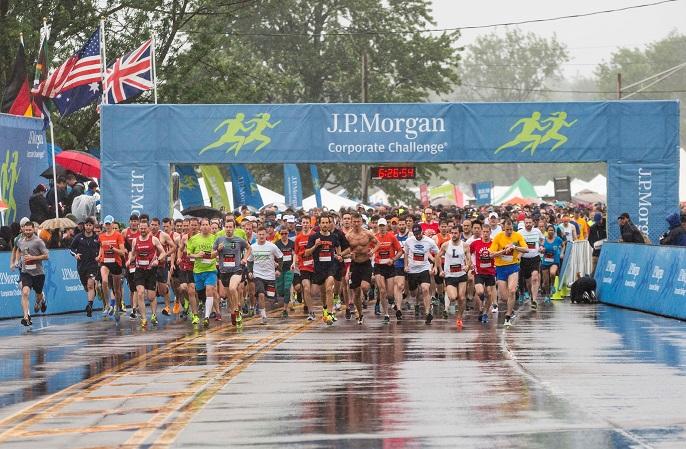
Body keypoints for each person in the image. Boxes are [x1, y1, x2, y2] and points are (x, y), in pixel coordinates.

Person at [127, 220, 167, 327]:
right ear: (139, 229)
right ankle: (144, 319)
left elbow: (163, 252)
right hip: (139, 270)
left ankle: (154, 314)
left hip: (151, 270)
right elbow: (134, 254)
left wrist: (157, 260)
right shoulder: (135, 241)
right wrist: (130, 260)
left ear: (148, 228)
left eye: (145, 228)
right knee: (140, 293)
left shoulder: (154, 239)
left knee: (151, 297)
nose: (143, 230)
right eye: (141, 228)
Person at [305, 214, 343, 324]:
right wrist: (315, 246)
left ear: (329, 224)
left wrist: (339, 255)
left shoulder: (334, 237)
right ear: (319, 224)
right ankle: (325, 309)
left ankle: (330, 314)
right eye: (323, 223)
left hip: (331, 266)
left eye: (327, 222)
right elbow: (307, 253)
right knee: (322, 292)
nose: (325, 224)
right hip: (319, 268)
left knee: (329, 289)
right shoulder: (314, 237)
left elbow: (338, 246)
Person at [489, 218, 528, 327]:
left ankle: (508, 316)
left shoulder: (517, 236)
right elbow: (491, 254)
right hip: (501, 268)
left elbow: (526, 249)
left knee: (512, 290)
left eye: (511, 229)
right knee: (504, 297)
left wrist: (515, 247)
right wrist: (503, 251)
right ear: (503, 228)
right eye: (507, 230)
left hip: (513, 266)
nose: (509, 232)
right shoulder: (498, 237)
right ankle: (511, 309)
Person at [214, 219, 250, 325]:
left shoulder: (239, 240)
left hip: (237, 270)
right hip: (224, 271)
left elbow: (249, 248)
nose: (228, 229)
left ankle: (237, 310)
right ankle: (234, 310)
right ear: (224, 228)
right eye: (227, 227)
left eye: (230, 227)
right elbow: (212, 255)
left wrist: (245, 259)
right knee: (229, 295)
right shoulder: (219, 240)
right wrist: (218, 250)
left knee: (233, 288)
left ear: (234, 228)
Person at [15, 218, 49, 326]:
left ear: (33, 229)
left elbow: (46, 256)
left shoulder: (38, 241)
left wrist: (33, 257)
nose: (28, 232)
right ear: (23, 230)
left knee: (38, 294)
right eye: (26, 230)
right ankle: (26, 317)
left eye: (30, 230)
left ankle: (41, 300)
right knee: (25, 292)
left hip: (38, 273)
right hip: (26, 272)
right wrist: (18, 260)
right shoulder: (20, 241)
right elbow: (19, 251)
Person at [436, 225, 472, 328]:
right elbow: (438, 256)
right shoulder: (445, 245)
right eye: (452, 233)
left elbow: (469, 259)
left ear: (460, 234)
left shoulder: (465, 246)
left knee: (461, 297)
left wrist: (467, 266)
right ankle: (453, 305)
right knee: (453, 297)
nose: (454, 235)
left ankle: (459, 318)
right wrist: (440, 270)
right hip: (450, 275)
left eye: (456, 233)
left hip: (461, 275)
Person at [404, 223, 439, 325]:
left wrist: (436, 266)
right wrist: (406, 265)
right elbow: (406, 253)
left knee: (425, 289)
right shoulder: (409, 241)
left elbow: (437, 253)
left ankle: (428, 313)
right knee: (413, 293)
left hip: (424, 268)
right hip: (412, 270)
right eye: (416, 234)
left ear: (422, 232)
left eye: (419, 233)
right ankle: (417, 292)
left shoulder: (429, 241)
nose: (418, 236)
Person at [247, 226, 283, 324]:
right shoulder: (253, 247)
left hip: (270, 275)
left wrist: (279, 269)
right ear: (257, 235)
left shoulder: (272, 246)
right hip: (258, 275)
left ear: (266, 235)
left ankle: (266, 306)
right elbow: (249, 261)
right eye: (260, 234)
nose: (262, 236)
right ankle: (263, 316)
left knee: (270, 298)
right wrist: (250, 271)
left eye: (263, 234)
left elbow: (280, 257)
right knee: (261, 294)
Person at [186, 218, 217, 328]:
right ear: (200, 227)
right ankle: (204, 305)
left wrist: (215, 253)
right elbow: (188, 254)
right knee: (200, 293)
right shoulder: (193, 239)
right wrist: (197, 255)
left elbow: (217, 252)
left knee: (209, 289)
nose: (204, 226)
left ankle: (207, 317)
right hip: (198, 271)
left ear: (209, 226)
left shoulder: (215, 238)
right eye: (202, 225)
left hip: (211, 270)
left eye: (206, 224)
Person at [373, 217, 402, 324]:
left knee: (390, 293)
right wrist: (370, 253)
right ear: (378, 227)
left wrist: (393, 259)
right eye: (380, 226)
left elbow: (400, 251)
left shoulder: (391, 237)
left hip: (389, 266)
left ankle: (391, 301)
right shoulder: (374, 237)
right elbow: (369, 250)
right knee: (382, 291)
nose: (381, 228)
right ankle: (386, 314)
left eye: (383, 226)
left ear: (386, 226)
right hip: (378, 266)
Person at [70, 218, 101, 317]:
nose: (88, 227)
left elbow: (102, 248)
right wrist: (75, 254)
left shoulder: (97, 238)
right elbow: (71, 248)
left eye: (90, 225)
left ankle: (90, 305)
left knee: (90, 285)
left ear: (93, 226)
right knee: (86, 287)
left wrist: (99, 256)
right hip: (81, 266)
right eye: (86, 225)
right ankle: (92, 294)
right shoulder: (78, 237)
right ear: (84, 226)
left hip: (93, 265)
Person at [98, 215, 126, 318]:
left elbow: (122, 252)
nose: (108, 226)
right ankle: (107, 305)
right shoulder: (101, 236)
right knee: (104, 282)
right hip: (105, 262)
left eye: (109, 224)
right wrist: (99, 256)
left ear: (113, 224)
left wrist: (113, 249)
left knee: (117, 289)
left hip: (116, 263)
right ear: (104, 225)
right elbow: (101, 248)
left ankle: (117, 308)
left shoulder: (118, 235)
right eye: (106, 224)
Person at [470, 222, 496, 323]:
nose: (485, 234)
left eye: (487, 232)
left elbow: (498, 254)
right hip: (479, 272)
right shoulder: (475, 243)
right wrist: (470, 263)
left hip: (490, 272)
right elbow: (469, 252)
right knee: (480, 292)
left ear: (490, 232)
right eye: (484, 232)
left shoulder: (494, 243)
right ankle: (481, 306)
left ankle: (484, 312)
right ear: (481, 232)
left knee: (489, 293)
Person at [519, 216, 544, 310]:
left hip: (535, 258)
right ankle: (531, 295)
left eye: (530, 222)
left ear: (533, 223)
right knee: (528, 283)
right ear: (524, 223)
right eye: (527, 223)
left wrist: (541, 246)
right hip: (524, 260)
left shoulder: (537, 231)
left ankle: (534, 300)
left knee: (535, 277)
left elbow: (542, 240)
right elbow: (517, 244)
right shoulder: (520, 233)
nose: (528, 224)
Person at [293, 219, 315, 320]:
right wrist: (294, 262)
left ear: (310, 224)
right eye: (303, 223)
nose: (305, 225)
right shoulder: (298, 238)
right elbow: (296, 253)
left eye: (307, 223)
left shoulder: (315, 235)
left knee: (313, 291)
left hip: (315, 266)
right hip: (303, 266)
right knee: (306, 288)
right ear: (301, 224)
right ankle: (311, 312)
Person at [275, 228, 294, 317]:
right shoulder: (277, 244)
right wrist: (275, 264)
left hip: (289, 269)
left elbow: (294, 254)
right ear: (280, 234)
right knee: (280, 290)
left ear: (288, 234)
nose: (284, 235)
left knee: (287, 288)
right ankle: (285, 298)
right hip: (280, 269)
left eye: (285, 233)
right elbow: (273, 255)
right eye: (282, 234)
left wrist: (294, 263)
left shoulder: (291, 244)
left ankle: (285, 309)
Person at [541, 224, 563, 298]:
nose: (551, 231)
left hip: (555, 260)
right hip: (545, 261)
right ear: (547, 231)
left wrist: (561, 253)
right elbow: (541, 248)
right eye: (549, 230)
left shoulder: (558, 239)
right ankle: (547, 295)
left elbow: (563, 245)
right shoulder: (544, 240)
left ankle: (552, 285)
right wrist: (542, 250)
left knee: (553, 273)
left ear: (554, 231)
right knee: (545, 282)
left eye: (552, 230)